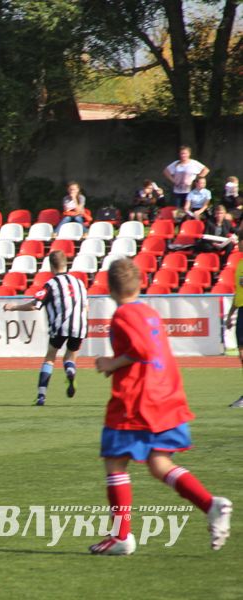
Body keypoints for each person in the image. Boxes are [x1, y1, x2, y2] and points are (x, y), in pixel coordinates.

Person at [89, 258, 232, 555]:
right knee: (159, 464)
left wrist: (111, 363)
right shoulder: (149, 312)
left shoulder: (123, 314)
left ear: (109, 288)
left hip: (138, 400)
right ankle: (210, 505)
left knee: (115, 461)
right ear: (140, 284)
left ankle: (121, 536)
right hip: (166, 395)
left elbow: (142, 350)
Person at [3, 250, 88, 405]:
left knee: (50, 357)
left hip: (60, 326)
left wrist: (14, 307)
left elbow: (35, 305)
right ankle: (70, 370)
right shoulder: (79, 283)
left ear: (51, 266)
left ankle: (41, 395)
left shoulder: (52, 284)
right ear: (66, 264)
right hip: (80, 326)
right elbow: (86, 307)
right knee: (70, 356)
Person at [224, 237, 243, 408]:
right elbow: (238, 292)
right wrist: (231, 314)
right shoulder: (240, 265)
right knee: (241, 353)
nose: (238, 245)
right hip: (241, 310)